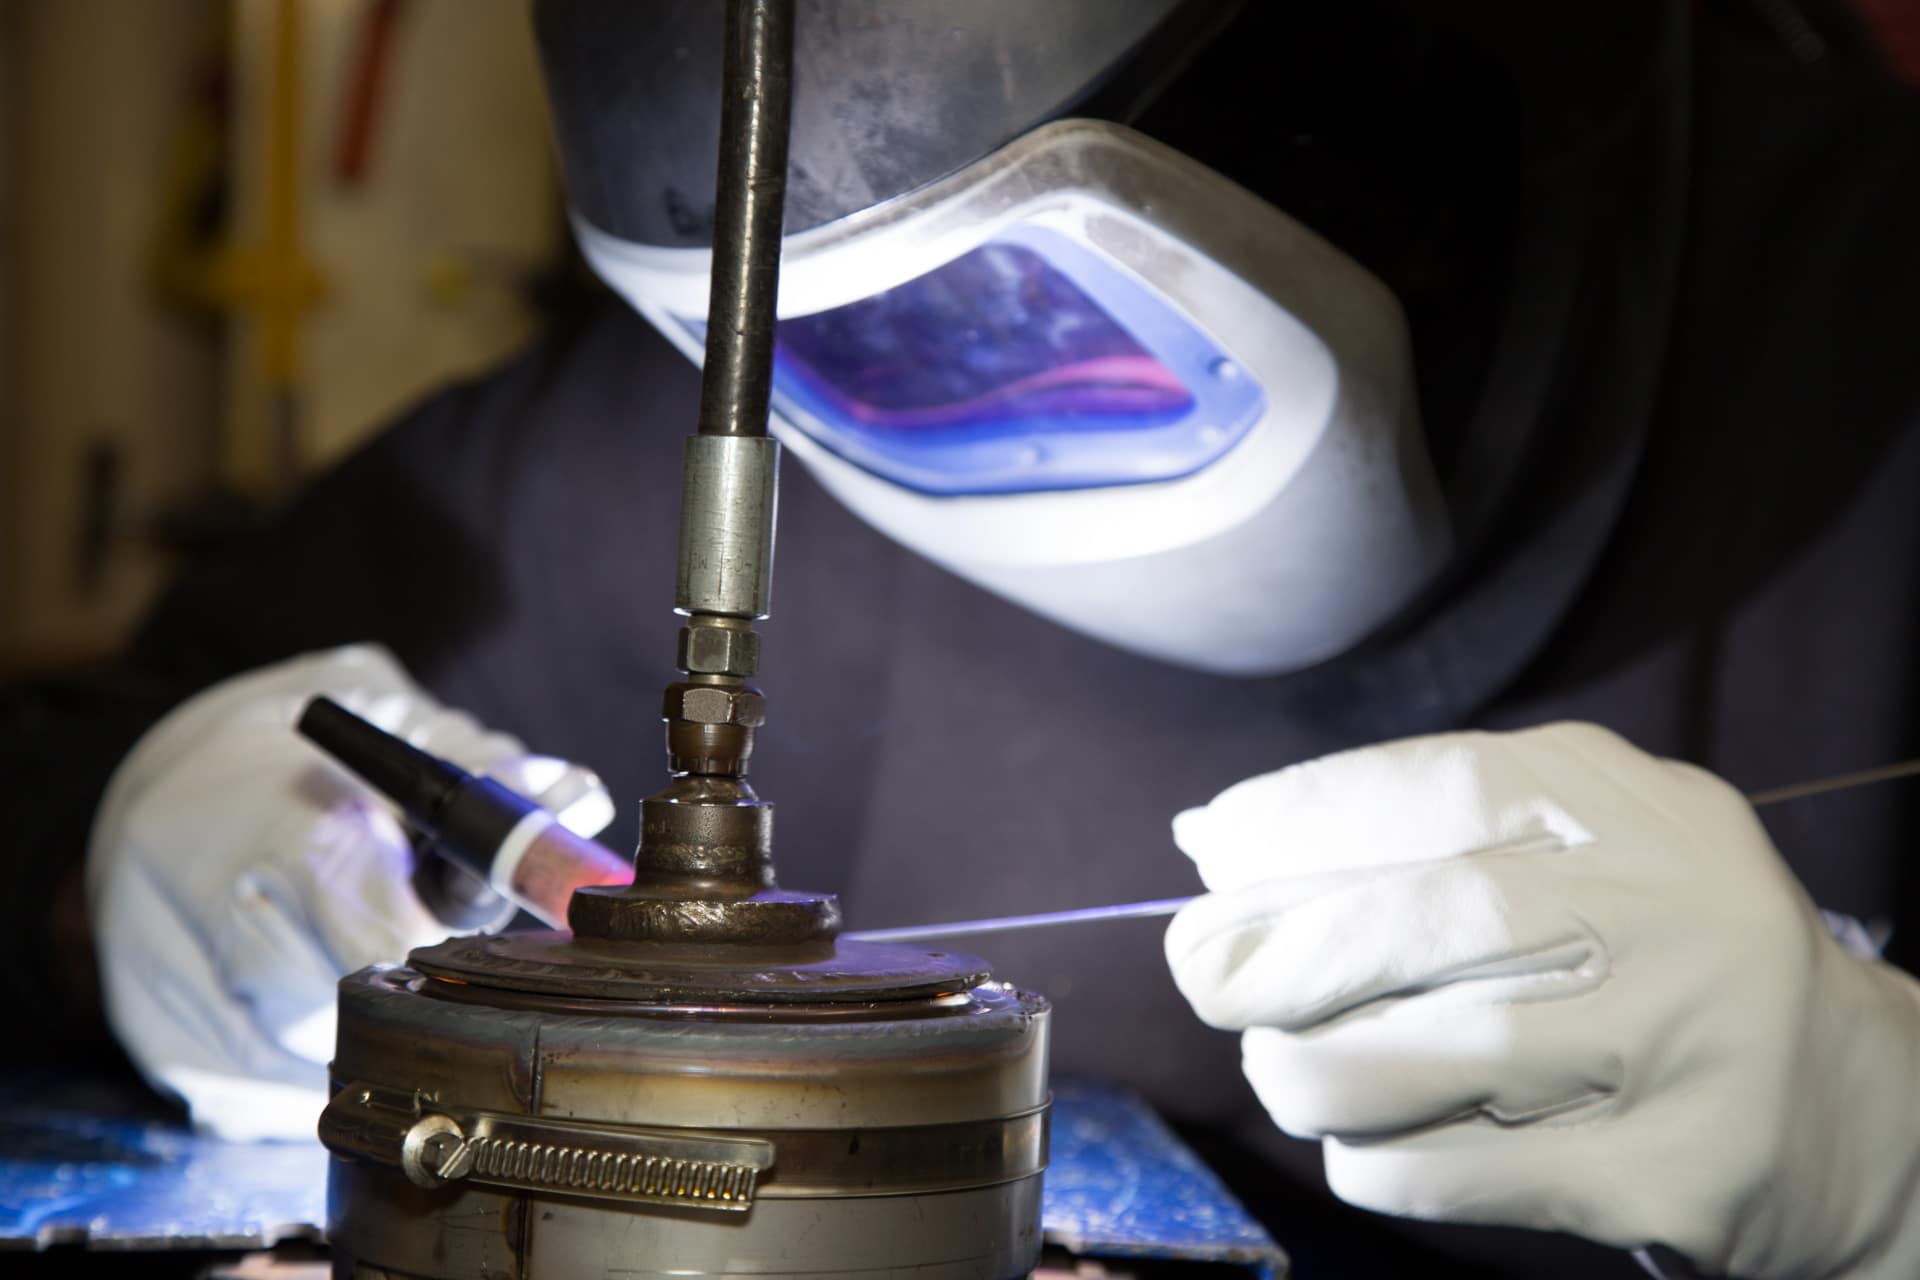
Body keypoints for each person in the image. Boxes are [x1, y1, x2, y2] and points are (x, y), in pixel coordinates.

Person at [7, 1, 1920, 1275]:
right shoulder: (626, 450)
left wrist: (1884, 1153)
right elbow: (75, 748)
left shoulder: (1860, 332)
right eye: (807, 342)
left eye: (1008, 311)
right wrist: (136, 845)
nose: (933, 393)